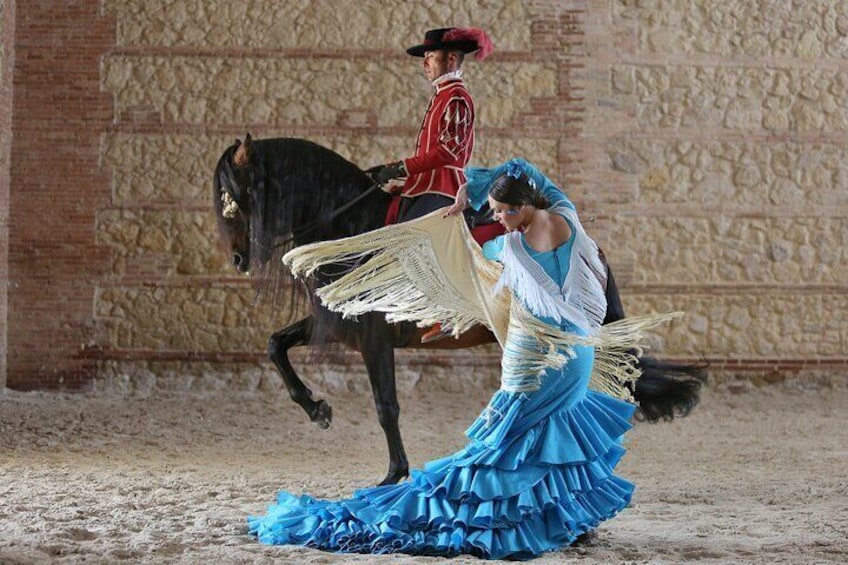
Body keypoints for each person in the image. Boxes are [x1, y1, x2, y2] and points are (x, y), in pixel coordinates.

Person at [252, 158, 678, 559]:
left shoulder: (512, 250)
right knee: (553, 433)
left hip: (536, 361)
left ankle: (497, 518)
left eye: (499, 212)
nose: (494, 219)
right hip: (578, 356)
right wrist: (476, 191)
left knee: (501, 448)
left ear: (520, 209)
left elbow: (474, 281)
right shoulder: (567, 215)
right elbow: (524, 170)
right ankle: (559, 518)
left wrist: (464, 193)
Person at [369, 27, 493, 226]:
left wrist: (403, 168)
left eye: (431, 56)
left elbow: (449, 152)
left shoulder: (456, 97)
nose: (425, 64)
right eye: (425, 58)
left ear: (451, 59)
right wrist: (396, 169)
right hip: (424, 187)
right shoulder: (442, 95)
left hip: (442, 189)